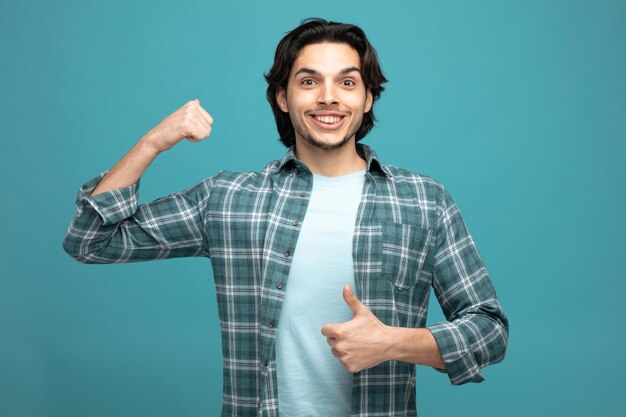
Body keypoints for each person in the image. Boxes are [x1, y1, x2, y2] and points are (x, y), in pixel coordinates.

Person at [63, 18, 508, 417]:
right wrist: (152, 144)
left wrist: (394, 342)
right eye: (309, 81)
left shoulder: (423, 201)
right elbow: (91, 240)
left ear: (369, 97)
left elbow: (489, 330)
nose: (329, 97)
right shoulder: (231, 198)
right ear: (282, 95)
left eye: (348, 83)